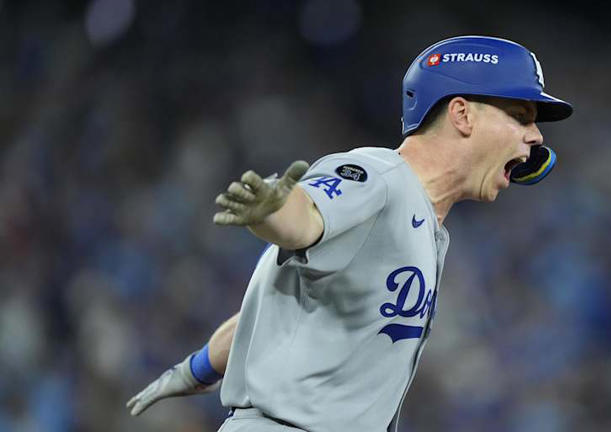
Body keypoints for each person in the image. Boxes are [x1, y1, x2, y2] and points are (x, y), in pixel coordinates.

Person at [126, 35, 573, 431]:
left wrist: (194, 371)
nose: (535, 135)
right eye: (519, 114)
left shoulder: (423, 222)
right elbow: (304, 219)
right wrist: (272, 212)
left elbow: (273, 316)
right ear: (462, 114)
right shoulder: (378, 177)